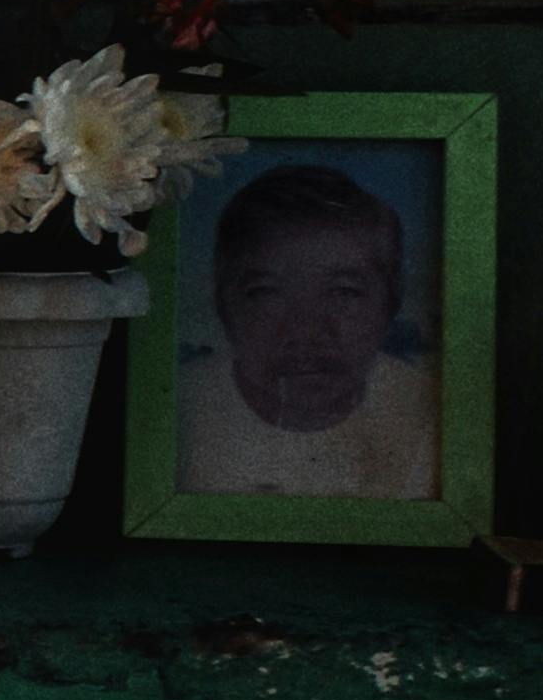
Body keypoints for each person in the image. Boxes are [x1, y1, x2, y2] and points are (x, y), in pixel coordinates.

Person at [177, 157, 435, 500]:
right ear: (223, 302)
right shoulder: (177, 410)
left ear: (391, 300)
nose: (306, 330)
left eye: (344, 292)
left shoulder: (430, 413)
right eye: (268, 294)